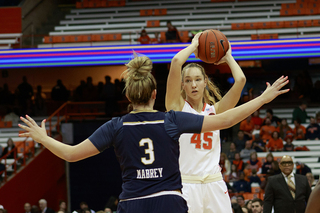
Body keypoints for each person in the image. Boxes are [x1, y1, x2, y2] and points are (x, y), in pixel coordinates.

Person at [19, 53, 289, 213]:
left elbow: (71, 154)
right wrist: (263, 99)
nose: (193, 84)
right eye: (189, 80)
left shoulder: (116, 125)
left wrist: (43, 138)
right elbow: (229, 118)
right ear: (155, 94)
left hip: (134, 201)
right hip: (171, 198)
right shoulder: (171, 119)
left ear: (127, 94)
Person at [166, 32, 246, 213]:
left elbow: (240, 81)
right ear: (182, 85)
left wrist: (228, 57)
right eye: (188, 80)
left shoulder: (215, 111)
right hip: (187, 182)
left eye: (197, 79)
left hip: (214, 181)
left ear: (205, 83)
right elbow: (176, 62)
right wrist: (194, 46)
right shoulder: (176, 107)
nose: (193, 85)